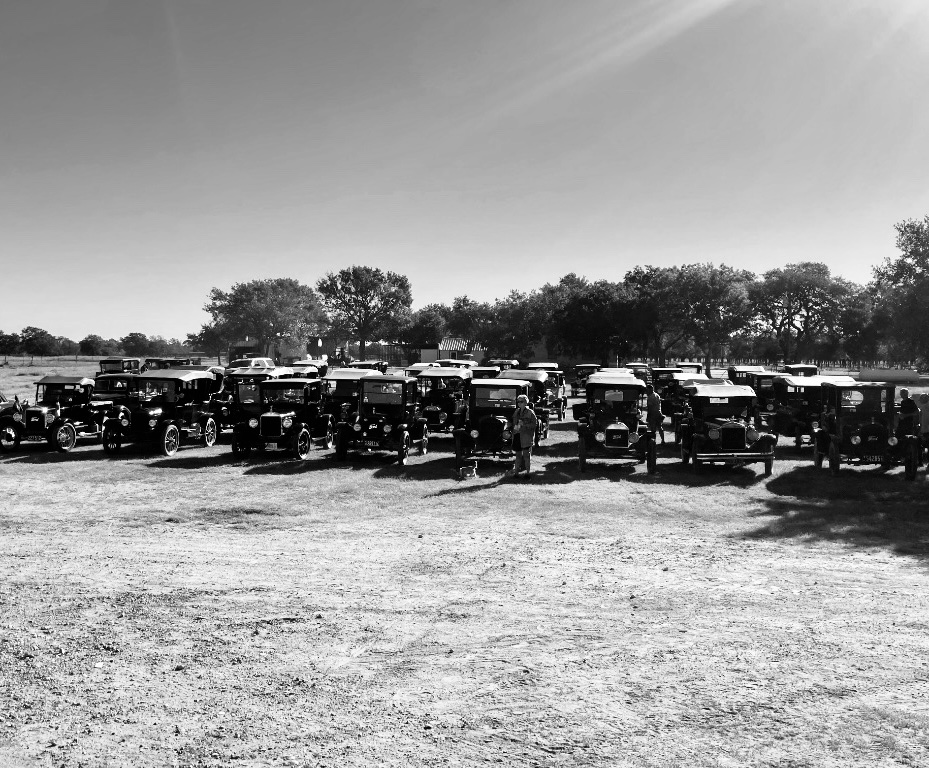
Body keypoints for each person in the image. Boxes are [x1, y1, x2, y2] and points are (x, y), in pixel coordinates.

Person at [510, 394, 539, 478]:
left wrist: (524, 425)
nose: (519, 403)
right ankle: (516, 473)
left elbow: (534, 424)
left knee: (526, 455)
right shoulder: (516, 412)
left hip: (526, 437)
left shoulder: (530, 412)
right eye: (518, 402)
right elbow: (514, 423)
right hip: (517, 436)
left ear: (526, 402)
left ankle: (528, 473)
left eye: (521, 401)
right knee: (518, 455)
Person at [918, 393, 929, 466]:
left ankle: (921, 461)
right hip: (925, 429)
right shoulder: (923, 408)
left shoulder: (924, 408)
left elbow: (922, 420)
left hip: (925, 430)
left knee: (921, 445)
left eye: (921, 399)